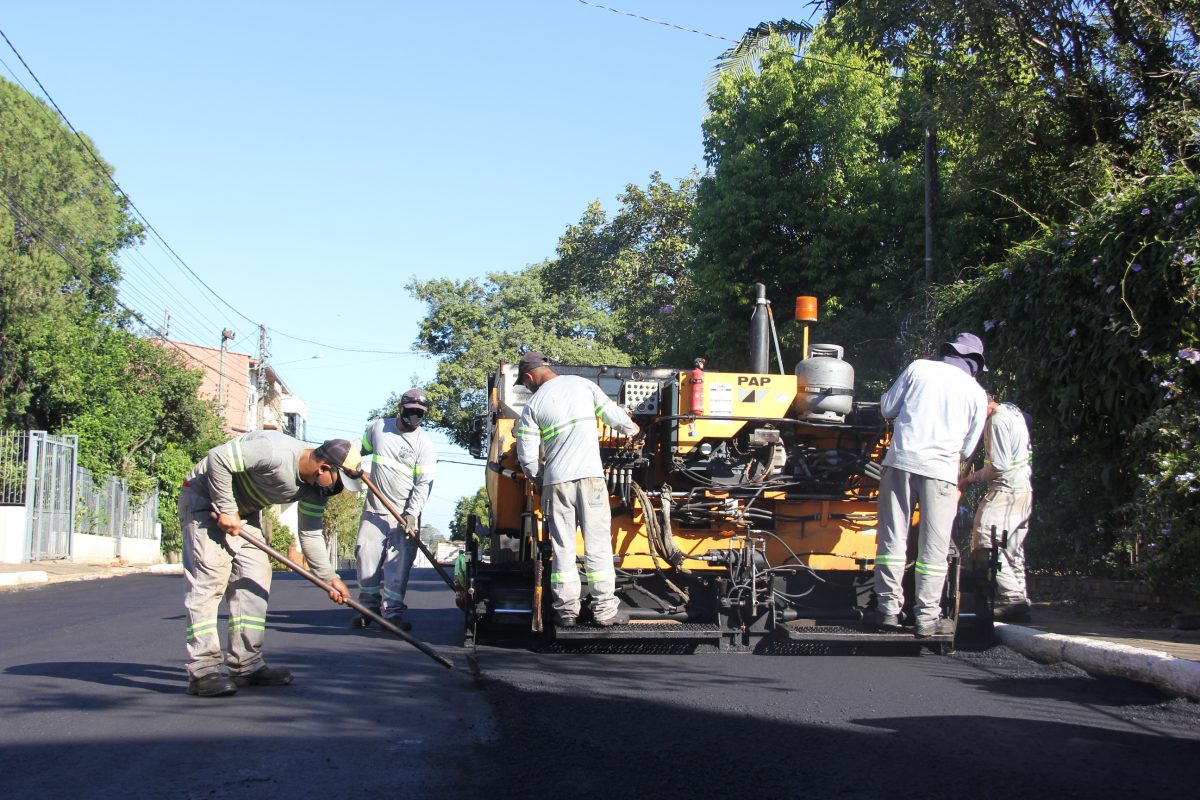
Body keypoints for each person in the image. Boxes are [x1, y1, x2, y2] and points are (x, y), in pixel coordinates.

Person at [179, 432, 357, 697]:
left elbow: (309, 533)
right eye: (338, 483)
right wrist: (227, 508)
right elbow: (218, 457)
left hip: (245, 514)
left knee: (255, 581)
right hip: (204, 500)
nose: (338, 490)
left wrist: (328, 577)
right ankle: (203, 670)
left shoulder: (314, 488)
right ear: (324, 468)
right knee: (210, 581)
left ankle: (246, 664)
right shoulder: (273, 450)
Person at [872, 333, 989, 637]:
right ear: (974, 363)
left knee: (892, 539)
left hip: (901, 462)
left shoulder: (919, 368)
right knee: (933, 547)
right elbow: (967, 448)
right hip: (941, 471)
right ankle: (925, 618)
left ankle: (888, 610)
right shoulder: (976, 393)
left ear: (947, 352)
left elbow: (887, 408)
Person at [515, 351, 639, 627]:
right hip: (591, 478)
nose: (528, 387)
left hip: (556, 482)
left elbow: (526, 456)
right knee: (597, 544)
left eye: (525, 384)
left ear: (529, 376)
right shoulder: (583, 385)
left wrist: (538, 479)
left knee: (563, 547)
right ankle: (604, 610)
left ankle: (566, 611)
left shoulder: (532, 406)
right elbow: (614, 417)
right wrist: (632, 428)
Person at [351, 388, 437, 631]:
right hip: (374, 510)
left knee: (397, 567)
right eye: (411, 412)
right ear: (400, 408)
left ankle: (393, 614)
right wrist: (347, 457)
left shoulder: (424, 445)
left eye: (420, 414)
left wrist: (412, 514)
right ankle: (368, 610)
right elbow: (360, 446)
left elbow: (424, 485)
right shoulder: (379, 428)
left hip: (403, 516)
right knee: (366, 560)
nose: (415, 418)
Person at [960, 397, 1033, 621]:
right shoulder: (1012, 411)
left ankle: (1012, 598)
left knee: (985, 537)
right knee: (1012, 547)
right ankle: (1020, 599)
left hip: (1006, 491)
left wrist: (969, 479)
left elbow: (998, 466)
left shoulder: (997, 421)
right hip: (1021, 489)